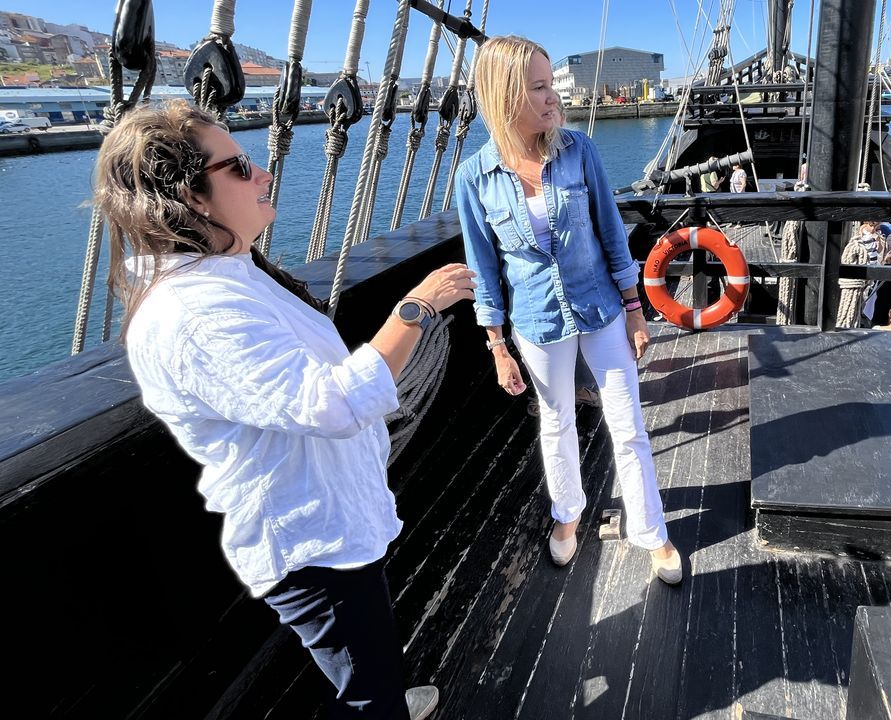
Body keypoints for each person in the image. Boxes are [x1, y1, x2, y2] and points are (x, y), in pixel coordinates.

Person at [96, 100, 477, 719]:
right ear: (191, 197)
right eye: (241, 168)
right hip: (311, 545)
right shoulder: (194, 313)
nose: (265, 175)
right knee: (368, 694)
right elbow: (327, 403)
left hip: (333, 519)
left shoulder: (229, 273)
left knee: (374, 664)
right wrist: (415, 307)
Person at [455, 35, 682, 584]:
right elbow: (483, 270)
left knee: (627, 424)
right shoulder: (474, 178)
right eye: (538, 86)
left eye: (552, 81)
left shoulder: (580, 151)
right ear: (505, 96)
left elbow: (610, 233)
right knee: (556, 423)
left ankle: (651, 532)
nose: (553, 95)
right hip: (535, 322)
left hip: (601, 307)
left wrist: (634, 309)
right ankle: (568, 516)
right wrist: (496, 346)